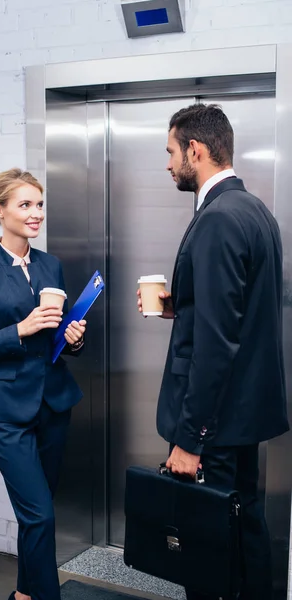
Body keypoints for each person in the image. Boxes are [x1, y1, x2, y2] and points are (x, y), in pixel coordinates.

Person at [138, 104, 289, 599]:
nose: (167, 164)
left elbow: (217, 342)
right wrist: (175, 306)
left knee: (207, 553)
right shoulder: (256, 212)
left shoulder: (219, 218)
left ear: (195, 150)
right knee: (244, 527)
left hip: (215, 422)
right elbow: (235, 315)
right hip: (243, 412)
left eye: (170, 152)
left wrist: (190, 440)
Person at [0, 169, 86, 600]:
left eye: (39, 204)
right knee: (40, 517)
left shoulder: (51, 265)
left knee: (39, 516)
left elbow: (58, 340)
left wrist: (72, 339)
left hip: (53, 404)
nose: (36, 214)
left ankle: (25, 595)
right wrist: (20, 329)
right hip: (7, 413)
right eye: (24, 204)